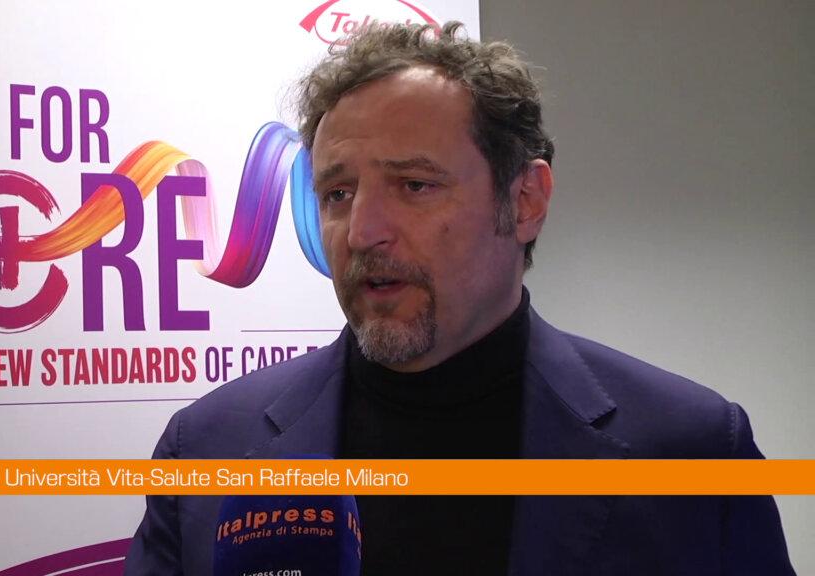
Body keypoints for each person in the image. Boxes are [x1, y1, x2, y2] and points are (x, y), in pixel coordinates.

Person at [124, 21, 794, 576]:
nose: (361, 232)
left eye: (414, 185)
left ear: (524, 202)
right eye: (337, 194)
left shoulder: (691, 451)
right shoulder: (206, 450)